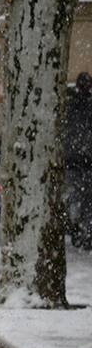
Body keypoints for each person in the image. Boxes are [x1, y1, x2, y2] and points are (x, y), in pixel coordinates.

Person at [66, 72, 92, 249]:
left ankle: (76, 226)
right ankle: (85, 230)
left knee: (75, 195)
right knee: (87, 198)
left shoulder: (70, 106)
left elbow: (65, 130)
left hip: (72, 158)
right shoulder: (89, 106)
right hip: (87, 159)